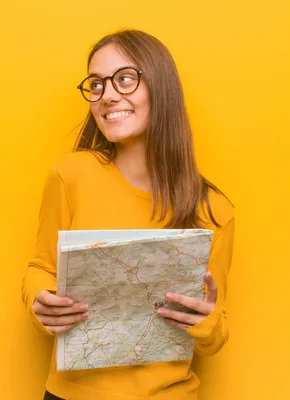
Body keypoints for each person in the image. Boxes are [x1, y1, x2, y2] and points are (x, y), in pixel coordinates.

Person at [21, 29, 235, 400]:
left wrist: (207, 322)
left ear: (161, 87)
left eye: (125, 78)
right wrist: (38, 297)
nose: (107, 95)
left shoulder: (213, 210)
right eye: (97, 84)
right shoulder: (70, 175)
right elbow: (40, 267)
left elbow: (213, 338)